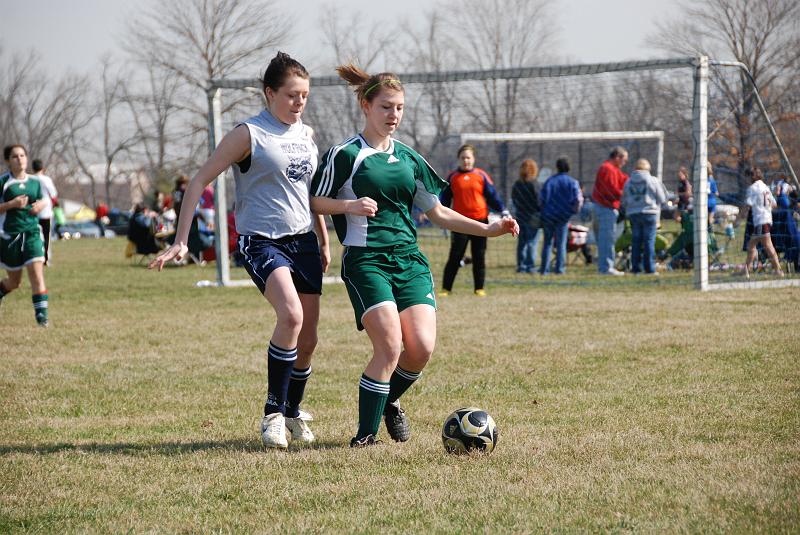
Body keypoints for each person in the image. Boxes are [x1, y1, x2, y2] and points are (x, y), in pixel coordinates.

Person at [310, 64, 518, 448]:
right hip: (366, 260)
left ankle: (389, 403)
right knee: (389, 346)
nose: (394, 116)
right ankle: (365, 438)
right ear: (366, 105)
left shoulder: (409, 158)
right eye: (386, 107)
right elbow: (315, 201)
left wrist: (488, 227)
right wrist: (349, 206)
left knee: (420, 348)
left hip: (409, 260)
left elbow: (438, 212)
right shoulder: (345, 154)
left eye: (400, 108)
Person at [150, 52, 330, 449]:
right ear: (269, 93)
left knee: (310, 338)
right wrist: (181, 240)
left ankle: (292, 410)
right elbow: (197, 183)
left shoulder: (307, 134)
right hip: (261, 240)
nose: (299, 103)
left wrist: (322, 233)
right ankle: (272, 415)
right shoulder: (248, 134)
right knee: (291, 315)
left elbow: (308, 190)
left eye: (304, 95)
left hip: (303, 242)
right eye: (291, 95)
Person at [439, 144, 508, 296]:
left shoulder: (481, 175)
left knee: (479, 256)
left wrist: (503, 210)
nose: (466, 161)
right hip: (459, 223)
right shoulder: (452, 177)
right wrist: (439, 216)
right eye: (463, 158)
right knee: (455, 256)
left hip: (480, 222)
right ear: (459, 159)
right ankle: (446, 289)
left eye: (468, 157)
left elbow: (492, 196)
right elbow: (444, 200)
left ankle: (479, 288)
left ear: (473, 159)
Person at [0, 144, 50, 326]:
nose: (19, 159)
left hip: (32, 233)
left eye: (22, 155)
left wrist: (41, 205)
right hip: (10, 236)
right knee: (14, 282)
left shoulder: (35, 182)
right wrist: (10, 204)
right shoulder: (3, 182)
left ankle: (42, 319)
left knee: (37, 275)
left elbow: (44, 199)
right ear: (8, 161)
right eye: (14, 156)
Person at [621, 159, 667, 275]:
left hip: (633, 214)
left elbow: (624, 200)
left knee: (635, 241)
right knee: (649, 241)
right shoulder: (653, 180)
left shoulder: (628, 182)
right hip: (649, 213)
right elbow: (662, 198)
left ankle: (635, 268)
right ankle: (650, 269)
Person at [538, 157, 582, 275]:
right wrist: (572, 211)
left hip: (548, 216)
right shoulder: (573, 182)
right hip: (563, 217)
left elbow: (542, 199)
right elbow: (578, 200)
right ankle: (560, 269)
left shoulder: (550, 181)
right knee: (561, 243)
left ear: (557, 167)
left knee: (547, 242)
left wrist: (543, 211)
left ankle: (544, 269)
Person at [738, 167, 783, 279]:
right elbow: (774, 204)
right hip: (767, 219)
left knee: (765, 246)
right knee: (753, 246)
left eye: (748, 176)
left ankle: (778, 270)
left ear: (752, 177)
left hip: (760, 221)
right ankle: (746, 271)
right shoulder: (765, 187)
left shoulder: (752, 188)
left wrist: (738, 218)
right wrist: (765, 208)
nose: (746, 179)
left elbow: (747, 205)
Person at [592, 146, 629, 275]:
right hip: (606, 208)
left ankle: (605, 266)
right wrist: (623, 195)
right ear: (617, 157)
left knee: (607, 239)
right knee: (607, 240)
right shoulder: (607, 169)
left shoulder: (614, 169)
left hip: (606, 208)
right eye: (624, 159)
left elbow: (625, 180)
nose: (625, 163)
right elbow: (610, 190)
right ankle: (606, 268)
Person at [511, 159, 540, 273]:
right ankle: (530, 266)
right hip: (533, 217)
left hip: (520, 216)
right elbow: (539, 201)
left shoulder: (517, 184)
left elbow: (513, 199)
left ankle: (521, 265)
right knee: (532, 242)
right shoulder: (534, 184)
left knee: (522, 242)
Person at [31, 159, 58, 264]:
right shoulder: (46, 179)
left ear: (33, 168)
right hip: (45, 213)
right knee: (46, 236)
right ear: (42, 168)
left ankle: (34, 257)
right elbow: (54, 194)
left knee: (34, 237)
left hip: (33, 212)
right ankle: (46, 258)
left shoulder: (30, 179)